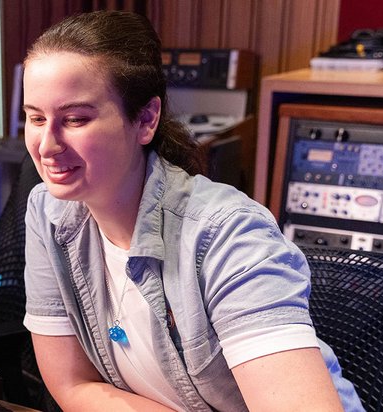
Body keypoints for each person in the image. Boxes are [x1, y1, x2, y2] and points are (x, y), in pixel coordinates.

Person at [21, 10, 363, 411]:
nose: (46, 146)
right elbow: (72, 385)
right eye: (35, 118)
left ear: (146, 119)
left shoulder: (228, 235)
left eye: (75, 119)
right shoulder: (49, 211)